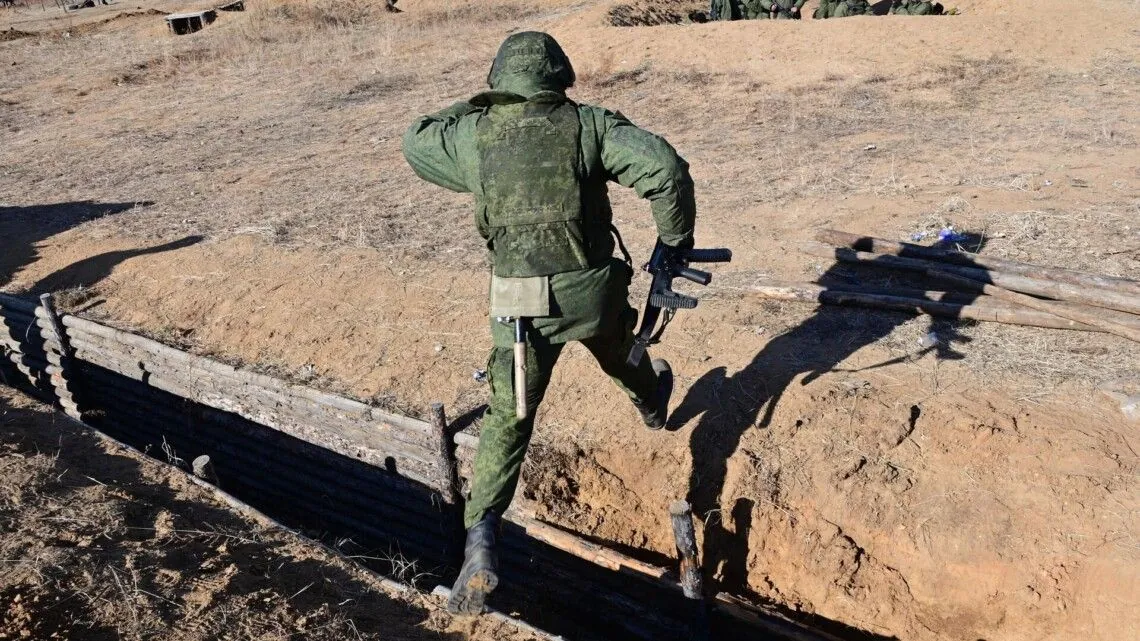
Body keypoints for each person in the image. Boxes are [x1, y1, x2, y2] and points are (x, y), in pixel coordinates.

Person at [402, 31, 696, 615]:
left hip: (519, 313)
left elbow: (416, 141)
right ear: (562, 75)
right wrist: (674, 244)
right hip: (591, 297)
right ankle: (651, 404)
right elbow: (665, 169)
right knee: (623, 350)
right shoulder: (588, 125)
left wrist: (481, 104)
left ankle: (481, 541)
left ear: (501, 80)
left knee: (509, 420)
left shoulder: (473, 136)